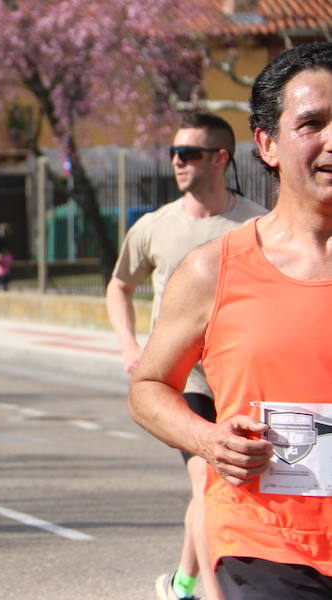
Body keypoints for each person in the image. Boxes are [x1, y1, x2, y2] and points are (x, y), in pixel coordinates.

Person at [129, 41, 332, 599]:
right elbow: (148, 387)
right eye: (312, 123)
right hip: (264, 545)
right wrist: (209, 439)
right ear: (266, 143)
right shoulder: (212, 270)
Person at [107, 112, 266, 600]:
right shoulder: (155, 226)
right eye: (174, 153)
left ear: (221, 158)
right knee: (207, 477)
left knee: (222, 486)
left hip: (240, 379)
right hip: (186, 380)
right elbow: (119, 285)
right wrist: (131, 346)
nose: (177, 161)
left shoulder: (257, 223)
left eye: (189, 153)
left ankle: (181, 580)